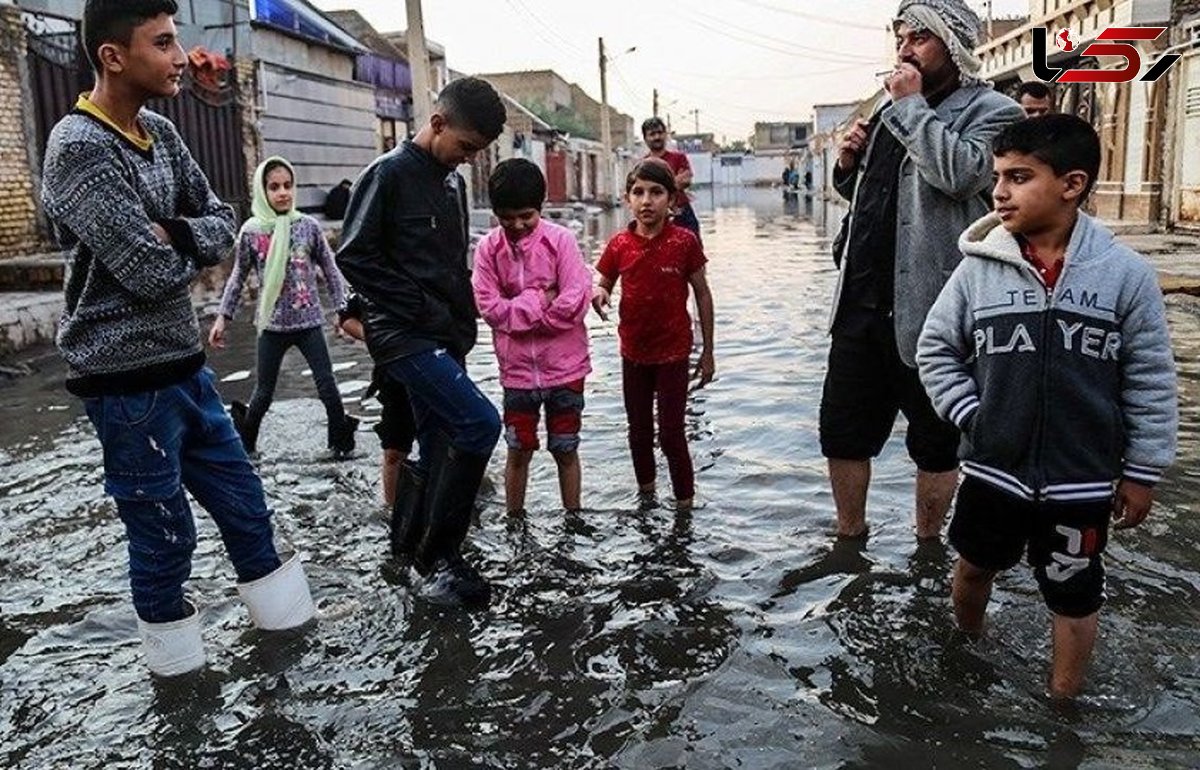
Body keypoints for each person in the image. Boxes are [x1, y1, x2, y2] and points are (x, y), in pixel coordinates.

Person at [40, 0, 314, 677]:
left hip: (187, 371)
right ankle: (181, 696)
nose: (180, 57)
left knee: (250, 514)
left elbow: (224, 217)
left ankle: (294, 663)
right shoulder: (78, 149)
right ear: (113, 56)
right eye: (162, 43)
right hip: (126, 387)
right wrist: (185, 240)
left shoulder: (160, 132)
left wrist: (180, 232)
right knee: (166, 544)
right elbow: (148, 271)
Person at [917, 114, 1178, 698]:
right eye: (998, 177)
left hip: (1080, 480)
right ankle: (967, 651)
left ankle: (1064, 706)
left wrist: (1142, 471)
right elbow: (935, 349)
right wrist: (973, 415)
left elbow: (1151, 379)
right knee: (974, 565)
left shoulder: (1125, 276)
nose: (999, 192)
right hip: (993, 469)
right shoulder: (978, 271)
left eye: (1019, 177)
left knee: (1074, 589)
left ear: (1072, 184)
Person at [820, 0, 1023, 541]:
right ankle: (849, 539)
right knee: (842, 434)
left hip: (933, 307)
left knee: (935, 442)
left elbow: (960, 175)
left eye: (919, 38)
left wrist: (910, 107)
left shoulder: (994, 112)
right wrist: (847, 166)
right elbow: (876, 195)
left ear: (953, 45)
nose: (905, 50)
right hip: (860, 303)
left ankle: (928, 545)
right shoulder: (891, 113)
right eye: (900, 39)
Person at [337, 76, 507, 607]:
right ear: (437, 124)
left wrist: (461, 323)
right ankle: (441, 555)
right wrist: (419, 308)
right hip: (401, 335)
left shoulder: (453, 185)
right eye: (465, 147)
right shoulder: (386, 176)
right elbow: (354, 256)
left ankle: (407, 550)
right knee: (480, 423)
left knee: (438, 442)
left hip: (446, 333)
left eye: (477, 153)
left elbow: (454, 266)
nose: (468, 159)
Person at [209, 157, 358, 460]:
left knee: (328, 386)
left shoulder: (308, 227)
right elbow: (238, 277)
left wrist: (343, 312)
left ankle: (340, 447)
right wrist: (223, 317)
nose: (282, 193)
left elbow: (331, 270)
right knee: (263, 393)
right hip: (272, 326)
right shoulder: (252, 232)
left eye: (288, 186)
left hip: (308, 323)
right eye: (274, 187)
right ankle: (246, 448)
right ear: (263, 191)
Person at [593, 159, 716, 511]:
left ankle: (684, 507)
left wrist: (708, 352)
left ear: (672, 200)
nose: (647, 201)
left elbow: (703, 294)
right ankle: (646, 499)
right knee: (639, 433)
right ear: (628, 199)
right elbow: (604, 281)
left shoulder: (684, 242)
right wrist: (600, 293)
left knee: (673, 435)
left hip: (674, 353)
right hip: (633, 352)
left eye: (656, 192)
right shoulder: (620, 244)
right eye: (638, 192)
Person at [472, 158, 592, 516]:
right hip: (518, 373)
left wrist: (518, 313)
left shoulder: (561, 241)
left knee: (566, 448)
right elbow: (489, 308)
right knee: (518, 449)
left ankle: (574, 518)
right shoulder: (488, 250)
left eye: (526, 216)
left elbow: (574, 302)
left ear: (540, 208)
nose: (518, 225)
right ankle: (514, 520)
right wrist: (540, 299)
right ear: (496, 213)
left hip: (566, 370)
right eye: (508, 218)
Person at [337, 291, 417, 508]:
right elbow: (345, 318)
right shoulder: (372, 272)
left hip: (441, 366)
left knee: (447, 444)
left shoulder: (437, 265)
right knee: (394, 450)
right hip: (393, 372)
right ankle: (390, 513)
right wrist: (377, 338)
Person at [641, 117, 702, 244]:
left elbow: (686, 180)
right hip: (657, 215)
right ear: (645, 139)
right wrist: (674, 182)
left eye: (660, 132)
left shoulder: (679, 157)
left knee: (693, 249)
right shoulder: (643, 164)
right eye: (652, 134)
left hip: (682, 212)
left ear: (665, 135)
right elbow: (643, 190)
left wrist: (659, 186)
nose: (657, 137)